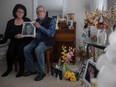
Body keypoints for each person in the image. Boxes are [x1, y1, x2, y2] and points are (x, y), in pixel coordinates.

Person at [23, 5, 56, 81]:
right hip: (37, 40)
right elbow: (36, 32)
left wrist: (39, 27)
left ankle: (42, 72)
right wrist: (33, 35)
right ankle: (32, 70)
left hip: (47, 41)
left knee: (38, 49)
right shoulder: (36, 20)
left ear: (44, 12)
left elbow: (51, 34)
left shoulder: (51, 20)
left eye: (41, 11)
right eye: (38, 12)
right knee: (26, 49)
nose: (39, 13)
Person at [1, 4, 33, 77]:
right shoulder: (10, 22)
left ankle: (21, 69)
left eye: (22, 12)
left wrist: (24, 36)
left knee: (20, 49)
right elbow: (6, 35)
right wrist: (15, 36)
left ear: (24, 13)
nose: (20, 13)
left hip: (25, 40)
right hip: (14, 40)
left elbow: (30, 34)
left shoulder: (27, 20)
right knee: (10, 51)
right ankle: (9, 68)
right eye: (18, 11)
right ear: (15, 12)